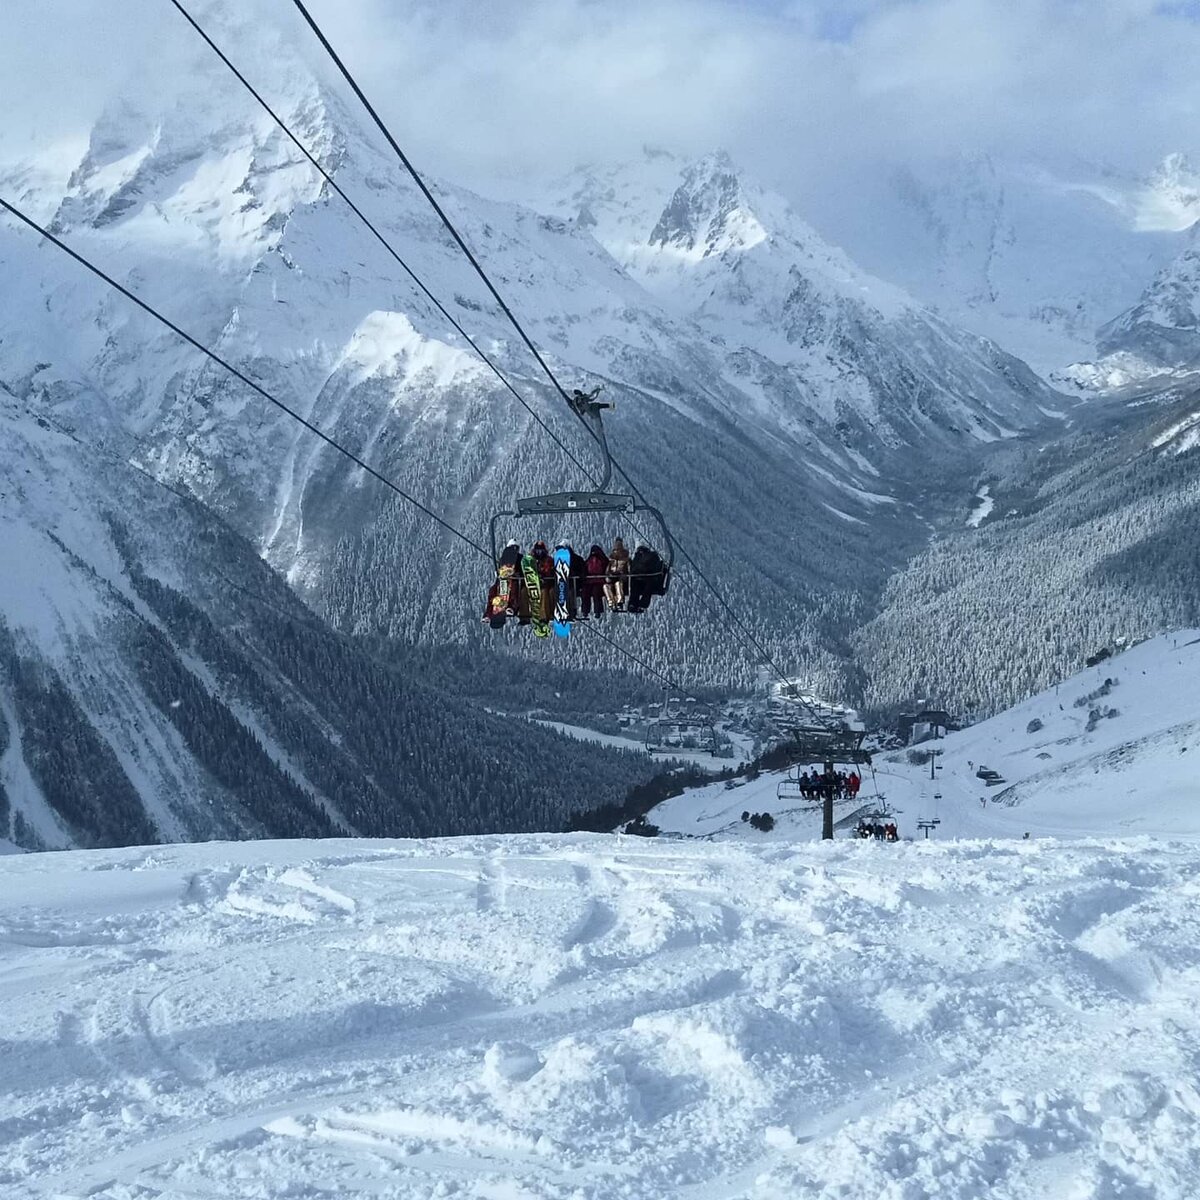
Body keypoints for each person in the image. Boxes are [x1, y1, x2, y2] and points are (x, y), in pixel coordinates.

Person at [628, 543, 668, 613]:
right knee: (648, 587)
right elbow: (658, 568)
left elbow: (632, 569)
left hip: (638, 580)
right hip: (650, 579)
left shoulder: (637, 558)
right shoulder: (653, 556)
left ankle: (632, 604)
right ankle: (642, 604)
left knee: (635, 587)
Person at [581, 543, 609, 619]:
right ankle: (585, 611)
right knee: (585, 593)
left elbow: (606, 569)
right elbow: (585, 568)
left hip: (599, 581)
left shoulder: (602, 560)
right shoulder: (589, 560)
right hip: (590, 581)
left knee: (596, 593)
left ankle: (597, 611)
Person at [606, 537, 631, 611]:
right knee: (606, 586)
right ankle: (611, 602)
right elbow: (607, 571)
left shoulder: (626, 559)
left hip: (621, 579)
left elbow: (629, 570)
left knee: (618, 584)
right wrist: (608, 576)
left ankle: (620, 602)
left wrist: (624, 575)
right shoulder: (611, 560)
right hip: (612, 578)